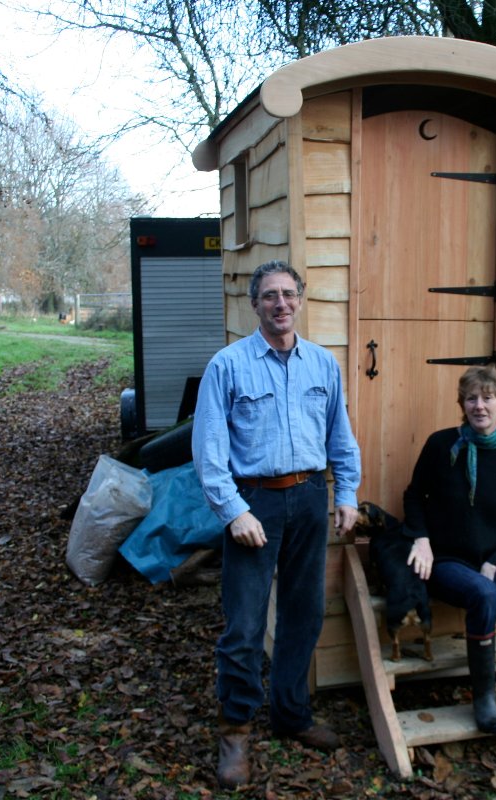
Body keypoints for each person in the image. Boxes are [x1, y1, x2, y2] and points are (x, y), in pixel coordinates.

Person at [193, 260, 361, 789]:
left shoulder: (323, 365)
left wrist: (347, 493)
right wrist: (233, 511)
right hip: (254, 505)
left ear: (301, 299)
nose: (281, 304)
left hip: (311, 498)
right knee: (243, 625)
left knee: (303, 612)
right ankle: (236, 730)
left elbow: (341, 436)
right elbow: (208, 451)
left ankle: (291, 715)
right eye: (270, 296)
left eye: (289, 294)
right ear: (255, 304)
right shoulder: (228, 366)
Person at [402, 365, 496, 734]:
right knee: (483, 594)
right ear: (462, 404)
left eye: (487, 398)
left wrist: (495, 562)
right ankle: (484, 700)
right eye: (471, 398)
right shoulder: (440, 444)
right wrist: (421, 539)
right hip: (445, 558)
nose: (479, 405)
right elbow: (414, 496)